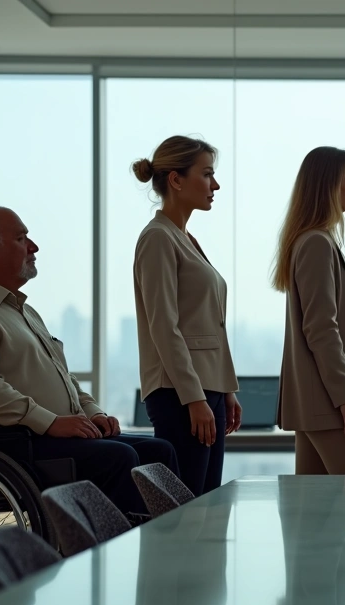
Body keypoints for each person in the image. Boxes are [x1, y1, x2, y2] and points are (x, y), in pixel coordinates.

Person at [0, 206, 179, 518]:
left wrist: (93, 413)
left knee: (159, 451)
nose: (34, 247)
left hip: (45, 435)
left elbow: (64, 378)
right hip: (12, 443)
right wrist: (50, 422)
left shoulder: (21, 311)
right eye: (21, 239)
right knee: (118, 458)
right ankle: (117, 547)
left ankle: (166, 544)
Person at [132, 135, 242, 497]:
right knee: (186, 509)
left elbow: (209, 322)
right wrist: (194, 398)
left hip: (206, 388)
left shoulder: (185, 238)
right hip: (180, 392)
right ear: (176, 180)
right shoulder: (158, 239)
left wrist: (225, 389)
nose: (215, 185)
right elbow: (164, 326)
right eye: (207, 174)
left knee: (206, 503)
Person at [272, 146, 345, 475]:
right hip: (329, 404)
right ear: (327, 186)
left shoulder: (313, 241)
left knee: (315, 506)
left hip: (317, 404)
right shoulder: (317, 243)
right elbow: (321, 330)